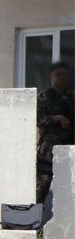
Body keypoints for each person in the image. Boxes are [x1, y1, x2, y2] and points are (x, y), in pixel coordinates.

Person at [36, 62, 74, 204]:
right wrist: (57, 118)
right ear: (51, 76)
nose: (62, 78)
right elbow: (38, 119)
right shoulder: (44, 97)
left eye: (65, 75)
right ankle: (34, 219)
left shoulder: (72, 97)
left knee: (67, 186)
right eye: (58, 75)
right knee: (41, 185)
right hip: (49, 149)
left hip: (68, 147)